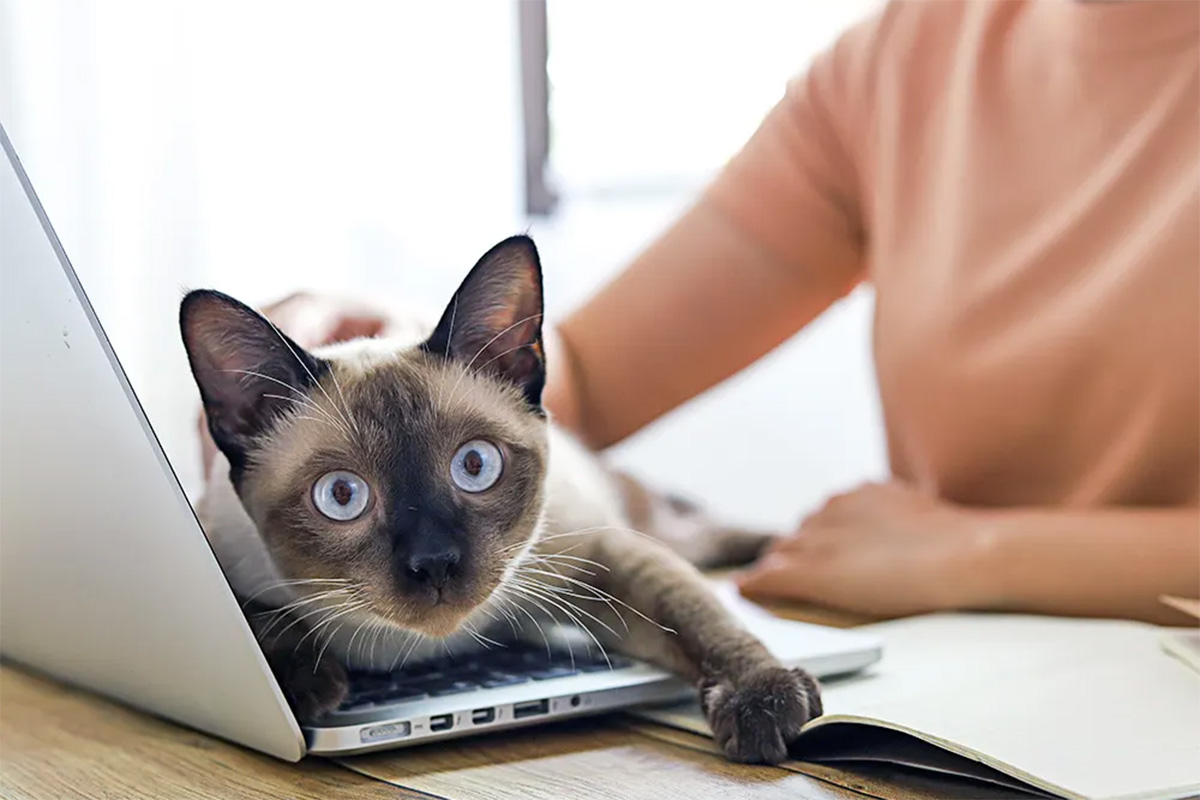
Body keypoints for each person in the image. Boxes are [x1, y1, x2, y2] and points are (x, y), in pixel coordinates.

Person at [202, 1, 1199, 625]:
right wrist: (401, 354)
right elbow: (580, 378)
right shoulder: (904, 55)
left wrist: (982, 554)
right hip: (968, 680)